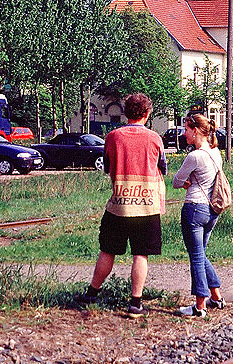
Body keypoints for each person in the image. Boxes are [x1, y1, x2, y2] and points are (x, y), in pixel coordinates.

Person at [75, 93, 166, 318]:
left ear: (125, 112)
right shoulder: (155, 138)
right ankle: (136, 302)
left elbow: (107, 167)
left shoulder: (113, 137)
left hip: (119, 204)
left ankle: (92, 293)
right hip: (147, 205)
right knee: (140, 254)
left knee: (107, 250)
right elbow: (162, 168)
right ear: (147, 113)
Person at [172, 113, 224, 317]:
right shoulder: (216, 153)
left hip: (194, 209)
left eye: (186, 129)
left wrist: (185, 183)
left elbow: (176, 181)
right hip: (212, 211)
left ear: (195, 131)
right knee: (200, 254)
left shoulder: (194, 156)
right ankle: (216, 297)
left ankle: (199, 306)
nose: (184, 134)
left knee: (196, 256)